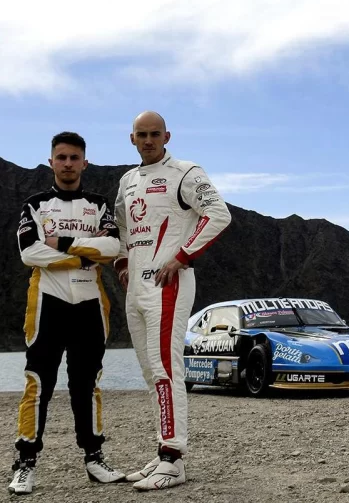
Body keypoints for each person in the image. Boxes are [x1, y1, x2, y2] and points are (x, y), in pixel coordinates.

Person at [114, 111, 231, 491]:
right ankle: (163, 449)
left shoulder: (185, 172)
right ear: (132, 139)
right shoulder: (128, 181)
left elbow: (217, 214)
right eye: (141, 135)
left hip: (169, 283)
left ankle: (174, 459)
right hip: (136, 289)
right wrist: (121, 262)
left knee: (166, 368)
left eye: (154, 134)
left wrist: (181, 256)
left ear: (167, 136)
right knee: (152, 374)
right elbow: (121, 226)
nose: (148, 140)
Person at [9, 132, 126, 495]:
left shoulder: (99, 204)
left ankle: (94, 459)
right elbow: (30, 253)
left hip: (91, 302)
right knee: (38, 382)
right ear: (51, 162)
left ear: (84, 162)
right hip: (47, 300)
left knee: (87, 384)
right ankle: (25, 463)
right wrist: (82, 254)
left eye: (74, 157)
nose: (68, 164)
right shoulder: (36, 204)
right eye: (61, 157)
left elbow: (112, 246)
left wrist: (60, 244)